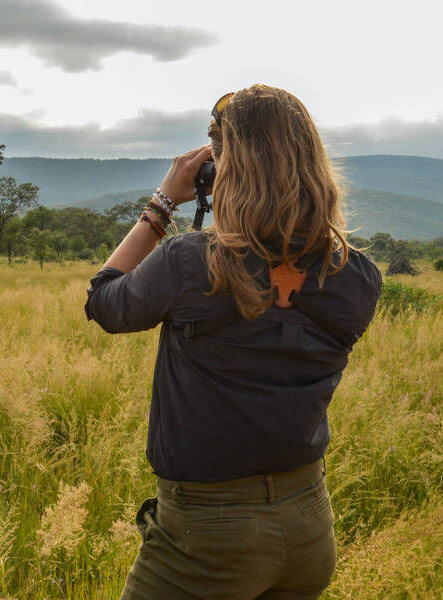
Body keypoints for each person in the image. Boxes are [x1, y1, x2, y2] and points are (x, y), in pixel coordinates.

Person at [85, 84, 382, 599]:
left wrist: (162, 204)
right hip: (309, 526)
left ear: (225, 172)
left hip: (207, 534)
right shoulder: (358, 275)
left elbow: (104, 301)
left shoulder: (189, 262)